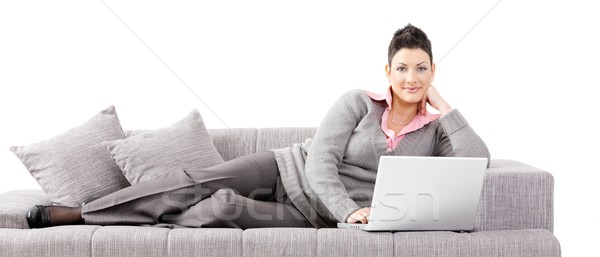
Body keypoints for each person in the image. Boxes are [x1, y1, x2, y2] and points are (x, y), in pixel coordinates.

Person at [26, 23, 490, 230]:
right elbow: (322, 166)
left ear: (433, 73)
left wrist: (446, 108)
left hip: (315, 217)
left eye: (422, 69)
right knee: (196, 183)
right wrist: (349, 210)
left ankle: (146, 218)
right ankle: (84, 214)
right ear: (387, 72)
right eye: (403, 68)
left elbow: (477, 163)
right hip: (285, 171)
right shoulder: (357, 102)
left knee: (221, 209)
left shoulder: (436, 131)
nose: (412, 79)